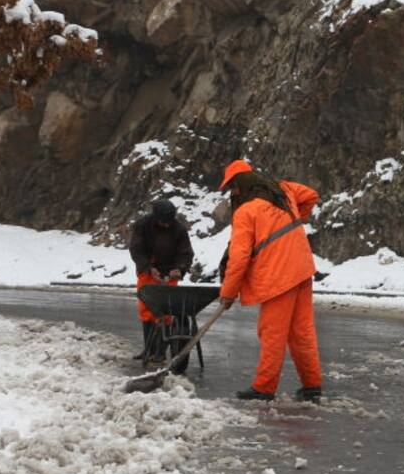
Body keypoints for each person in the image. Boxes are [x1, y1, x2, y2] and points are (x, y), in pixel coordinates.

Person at [217, 159, 323, 402]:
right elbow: (311, 195)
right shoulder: (283, 191)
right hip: (302, 269)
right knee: (301, 333)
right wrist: (294, 223)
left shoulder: (246, 211)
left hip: (278, 277)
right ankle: (312, 385)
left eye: (233, 187)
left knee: (272, 333)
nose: (233, 192)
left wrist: (228, 293)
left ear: (241, 184)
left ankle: (264, 388)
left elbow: (239, 257)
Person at [129, 199, 194, 364]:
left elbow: (186, 253)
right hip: (148, 270)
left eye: (169, 222)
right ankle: (148, 349)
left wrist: (179, 268)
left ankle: (160, 352)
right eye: (163, 222)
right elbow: (136, 248)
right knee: (146, 310)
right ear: (155, 217)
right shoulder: (142, 225)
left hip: (170, 273)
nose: (166, 225)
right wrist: (148, 267)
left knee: (165, 312)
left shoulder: (178, 229)